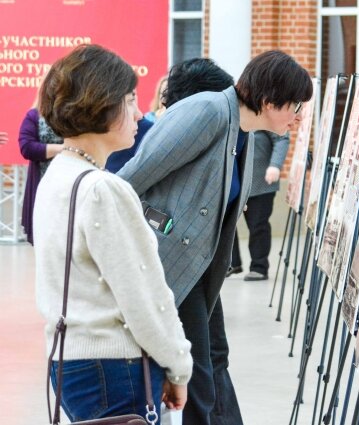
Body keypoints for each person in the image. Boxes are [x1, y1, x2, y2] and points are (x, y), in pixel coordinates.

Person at [118, 50, 313, 424]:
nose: (298, 116)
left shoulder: (245, 131)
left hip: (201, 269)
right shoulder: (208, 111)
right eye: (295, 105)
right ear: (270, 101)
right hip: (170, 264)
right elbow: (131, 179)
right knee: (198, 374)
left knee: (213, 362)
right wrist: (165, 227)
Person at [34, 44, 192, 421]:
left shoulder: (58, 176)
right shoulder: (103, 189)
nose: (139, 114)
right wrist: (178, 366)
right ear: (103, 104)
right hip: (113, 366)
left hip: (69, 361)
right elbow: (143, 295)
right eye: (130, 100)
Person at [228, 130, 290, 281]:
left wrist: (275, 165)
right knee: (226, 224)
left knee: (258, 226)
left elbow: (282, 138)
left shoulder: (265, 110)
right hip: (233, 182)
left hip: (261, 182)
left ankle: (259, 267)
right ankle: (231, 263)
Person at [18, 107, 64, 244]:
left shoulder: (77, 113)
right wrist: (63, 149)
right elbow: (27, 147)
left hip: (70, 183)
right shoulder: (34, 115)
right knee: (44, 239)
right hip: (43, 184)